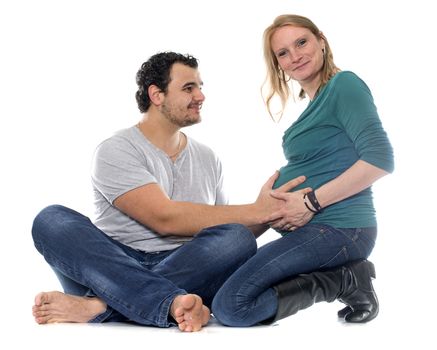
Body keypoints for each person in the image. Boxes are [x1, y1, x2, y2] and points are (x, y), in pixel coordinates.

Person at [31, 51, 308, 332]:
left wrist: (274, 212)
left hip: (185, 266)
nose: (200, 96)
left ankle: (99, 306)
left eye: (200, 88)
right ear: (156, 94)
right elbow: (163, 219)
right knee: (51, 220)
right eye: (188, 88)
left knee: (237, 238)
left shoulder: (208, 158)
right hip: (110, 265)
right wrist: (257, 210)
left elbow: (224, 228)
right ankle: (163, 301)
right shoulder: (116, 149)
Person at [211, 14, 394, 326]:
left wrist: (311, 203)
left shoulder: (344, 85)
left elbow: (380, 159)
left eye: (301, 42)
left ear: (321, 41)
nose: (294, 56)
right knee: (214, 287)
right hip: (316, 231)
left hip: (343, 229)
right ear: (278, 64)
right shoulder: (315, 105)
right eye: (283, 53)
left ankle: (346, 280)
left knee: (232, 306)